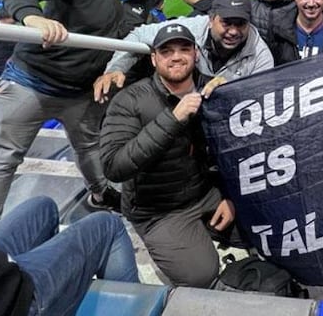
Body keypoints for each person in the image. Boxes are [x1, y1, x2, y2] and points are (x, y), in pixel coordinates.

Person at [0, 0, 158, 240]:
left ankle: (100, 194)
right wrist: (33, 17)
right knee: (4, 159)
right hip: (29, 83)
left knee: (88, 147)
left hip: (82, 94)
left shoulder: (138, 6)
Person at [100, 24, 235, 287]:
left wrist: (230, 196)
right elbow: (114, 166)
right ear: (153, 58)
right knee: (201, 275)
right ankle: (177, 242)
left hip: (207, 192)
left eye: (184, 49)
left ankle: (197, 235)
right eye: (166, 51)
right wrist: (173, 119)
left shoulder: (213, 88)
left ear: (196, 54)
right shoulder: (130, 100)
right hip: (158, 210)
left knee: (267, 226)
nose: (176, 56)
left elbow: (239, 152)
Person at [93, 0, 274, 102]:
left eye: (241, 24)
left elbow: (261, 100)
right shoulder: (192, 28)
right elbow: (138, 35)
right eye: (227, 23)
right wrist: (116, 68)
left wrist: (232, 90)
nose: (234, 31)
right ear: (211, 20)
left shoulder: (261, 56)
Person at [0, 196, 138, 315]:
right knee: (107, 226)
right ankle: (138, 308)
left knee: (43, 207)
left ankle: (64, 293)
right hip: (3, 302)